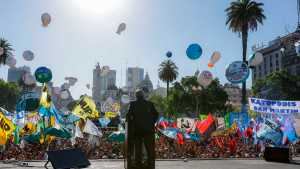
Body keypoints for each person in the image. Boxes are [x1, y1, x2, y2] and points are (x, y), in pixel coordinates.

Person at [126, 89, 158, 169]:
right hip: (149, 130)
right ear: (143, 95)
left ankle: (138, 165)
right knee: (150, 150)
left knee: (138, 150)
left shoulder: (132, 104)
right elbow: (156, 114)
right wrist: (151, 122)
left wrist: (131, 123)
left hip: (137, 130)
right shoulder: (150, 104)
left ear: (136, 96)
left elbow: (128, 116)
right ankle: (150, 166)